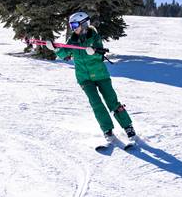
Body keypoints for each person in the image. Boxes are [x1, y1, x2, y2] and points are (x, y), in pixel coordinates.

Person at [45, 12, 136, 142]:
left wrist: (93, 52)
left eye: (75, 24)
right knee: (96, 103)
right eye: (71, 25)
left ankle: (128, 127)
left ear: (84, 23)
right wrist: (55, 49)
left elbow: (100, 54)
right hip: (84, 78)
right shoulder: (73, 39)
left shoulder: (94, 37)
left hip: (101, 76)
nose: (73, 28)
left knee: (112, 101)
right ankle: (107, 130)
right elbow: (65, 53)